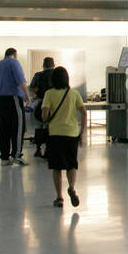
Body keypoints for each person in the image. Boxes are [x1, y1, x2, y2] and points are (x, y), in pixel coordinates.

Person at [42, 66, 86, 209]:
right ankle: (72, 187)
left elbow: (44, 116)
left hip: (55, 134)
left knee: (56, 167)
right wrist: (82, 133)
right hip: (71, 134)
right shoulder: (74, 93)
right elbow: (84, 113)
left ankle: (59, 198)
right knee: (71, 165)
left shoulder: (49, 94)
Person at [0, 46, 31, 166]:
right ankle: (16, 155)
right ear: (15, 55)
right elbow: (21, 80)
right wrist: (27, 96)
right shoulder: (14, 63)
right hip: (13, 99)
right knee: (18, 127)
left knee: (4, 129)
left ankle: (4, 158)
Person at [28, 57, 55, 159]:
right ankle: (50, 148)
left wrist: (39, 91)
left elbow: (32, 87)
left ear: (43, 65)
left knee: (39, 126)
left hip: (41, 103)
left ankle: (38, 149)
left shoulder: (38, 75)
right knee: (52, 126)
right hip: (55, 104)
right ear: (54, 64)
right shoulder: (57, 74)